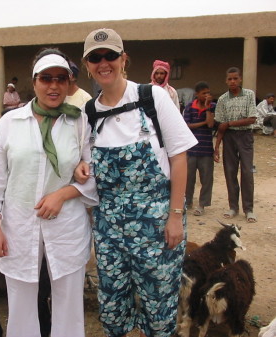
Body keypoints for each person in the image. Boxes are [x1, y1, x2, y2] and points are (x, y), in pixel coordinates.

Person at [76, 28, 197, 337]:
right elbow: (86, 164)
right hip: (109, 232)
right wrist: (81, 168)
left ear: (123, 59)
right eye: (95, 57)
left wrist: (176, 216)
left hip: (157, 228)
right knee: (113, 310)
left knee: (159, 310)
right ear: (87, 63)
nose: (104, 63)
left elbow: (179, 157)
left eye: (110, 56)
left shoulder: (151, 97)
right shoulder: (88, 113)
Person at [0, 48, 98, 337]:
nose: (54, 86)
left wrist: (64, 193)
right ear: (34, 83)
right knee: (20, 301)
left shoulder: (79, 122)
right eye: (46, 79)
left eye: (61, 79)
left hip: (67, 223)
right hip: (18, 224)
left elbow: (95, 174)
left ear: (69, 83)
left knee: (68, 301)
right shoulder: (10, 123)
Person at [214, 67, 257, 223]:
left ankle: (249, 209)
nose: (232, 81)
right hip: (229, 138)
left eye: (235, 78)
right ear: (226, 81)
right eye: (229, 79)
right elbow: (221, 126)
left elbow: (252, 118)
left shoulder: (249, 95)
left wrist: (230, 123)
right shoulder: (223, 99)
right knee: (230, 172)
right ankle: (233, 207)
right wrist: (217, 147)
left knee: (247, 172)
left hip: (245, 136)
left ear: (240, 79)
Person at [183, 81, 216, 216]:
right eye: (204, 93)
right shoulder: (190, 107)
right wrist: (202, 123)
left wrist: (208, 108)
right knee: (188, 178)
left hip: (206, 149)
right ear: (197, 94)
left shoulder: (212, 106)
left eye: (208, 93)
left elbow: (211, 124)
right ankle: (188, 201)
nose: (206, 95)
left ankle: (202, 204)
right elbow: (186, 126)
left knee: (206, 178)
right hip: (191, 149)